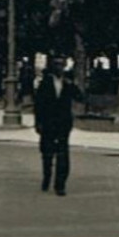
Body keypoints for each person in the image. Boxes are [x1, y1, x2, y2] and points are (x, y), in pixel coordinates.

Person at [32, 55, 81, 196]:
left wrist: (72, 84)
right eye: (57, 65)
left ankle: (60, 185)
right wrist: (38, 123)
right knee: (47, 154)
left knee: (63, 153)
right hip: (48, 122)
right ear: (53, 68)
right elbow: (38, 105)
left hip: (63, 123)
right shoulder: (45, 83)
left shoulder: (67, 83)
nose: (60, 68)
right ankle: (47, 177)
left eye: (62, 65)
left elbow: (79, 97)